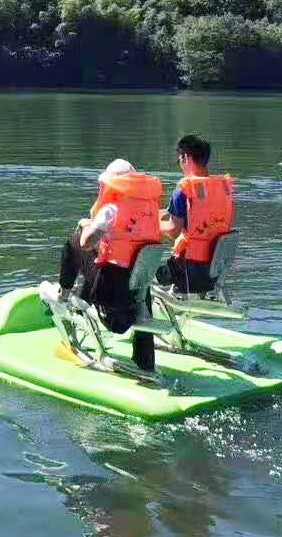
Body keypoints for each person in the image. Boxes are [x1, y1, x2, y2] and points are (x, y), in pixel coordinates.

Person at [52, 159, 165, 373]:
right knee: (138, 273)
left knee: (74, 242)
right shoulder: (151, 211)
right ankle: (145, 361)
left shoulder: (111, 210)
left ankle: (63, 297)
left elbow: (86, 242)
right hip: (137, 294)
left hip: (110, 294)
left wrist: (86, 224)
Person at [157, 135, 235, 295]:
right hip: (215, 270)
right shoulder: (221, 187)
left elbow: (173, 231)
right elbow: (194, 215)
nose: (180, 165)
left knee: (156, 271)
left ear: (186, 157)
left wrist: (150, 224)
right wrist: (156, 214)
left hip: (189, 272)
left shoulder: (184, 189)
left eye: (179, 160)